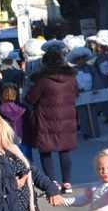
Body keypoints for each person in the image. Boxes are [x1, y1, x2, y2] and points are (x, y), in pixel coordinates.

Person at [27, 50, 79, 193]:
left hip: (46, 119)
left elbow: (31, 98)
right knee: (65, 150)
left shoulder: (43, 80)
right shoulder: (71, 78)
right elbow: (76, 94)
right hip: (67, 118)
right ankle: (67, 182)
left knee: (46, 150)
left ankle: (52, 182)